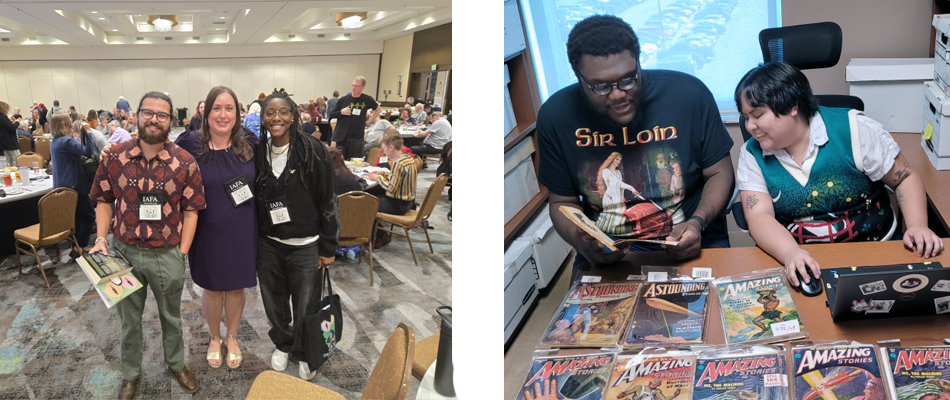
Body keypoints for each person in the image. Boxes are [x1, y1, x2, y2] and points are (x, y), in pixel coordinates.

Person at [536, 15, 735, 282]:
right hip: (609, 250)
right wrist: (581, 242)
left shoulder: (689, 95)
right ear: (578, 77)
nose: (618, 94)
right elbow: (561, 202)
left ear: (639, 63)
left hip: (692, 237)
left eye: (628, 79)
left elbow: (720, 173)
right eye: (601, 86)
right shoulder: (556, 115)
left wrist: (697, 223)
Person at [735, 61, 943, 286]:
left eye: (757, 115)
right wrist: (790, 253)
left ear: (791, 107)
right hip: (800, 261)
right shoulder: (751, 153)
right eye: (746, 117)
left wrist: (917, 225)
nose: (750, 126)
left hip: (875, 247)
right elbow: (758, 216)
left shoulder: (854, 129)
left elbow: (904, 178)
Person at [88, 92, 204, 399]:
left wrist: (182, 254)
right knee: (129, 322)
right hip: (123, 252)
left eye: (161, 115)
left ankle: (176, 365)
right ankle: (131, 375)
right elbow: (102, 200)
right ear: (136, 115)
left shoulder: (185, 161)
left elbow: (192, 211)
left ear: (170, 120)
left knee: (171, 317)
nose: (154, 119)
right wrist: (101, 239)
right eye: (148, 113)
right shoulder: (114, 157)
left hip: (167, 253)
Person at [255, 88, 339, 381]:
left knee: (306, 304)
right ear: (262, 118)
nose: (276, 118)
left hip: (306, 246)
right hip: (268, 245)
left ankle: (304, 350)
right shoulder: (259, 151)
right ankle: (284, 342)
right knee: (273, 301)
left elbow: (328, 199)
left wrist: (328, 247)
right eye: (270, 112)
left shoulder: (313, 151)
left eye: (283, 112)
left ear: (293, 116)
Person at [174, 86, 258, 370]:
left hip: (243, 227)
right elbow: (158, 156)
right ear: (205, 112)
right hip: (206, 229)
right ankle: (214, 337)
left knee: (235, 287)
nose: (223, 115)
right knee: (211, 287)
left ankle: (232, 337)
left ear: (238, 112)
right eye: (217, 109)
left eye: (229, 108)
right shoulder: (189, 144)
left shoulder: (249, 142)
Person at [49, 114, 96, 256]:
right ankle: (79, 247)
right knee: (89, 216)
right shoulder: (66, 142)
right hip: (75, 184)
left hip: (62, 184)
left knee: (76, 217)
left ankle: (76, 245)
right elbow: (89, 151)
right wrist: (87, 133)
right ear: (66, 125)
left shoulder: (54, 141)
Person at [367, 130, 416, 215]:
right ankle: (375, 226)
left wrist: (377, 178)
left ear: (391, 147)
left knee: (365, 203)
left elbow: (391, 187)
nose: (384, 152)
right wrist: (382, 173)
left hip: (397, 204)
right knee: (372, 196)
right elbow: (398, 177)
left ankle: (374, 228)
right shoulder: (407, 158)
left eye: (384, 149)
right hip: (407, 202)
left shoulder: (398, 163)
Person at [328, 75, 379, 159]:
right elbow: (332, 114)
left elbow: (378, 110)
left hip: (357, 137)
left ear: (362, 87)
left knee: (355, 160)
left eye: (357, 86)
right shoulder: (344, 100)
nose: (354, 87)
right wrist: (341, 112)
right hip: (342, 136)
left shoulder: (367, 99)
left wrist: (369, 121)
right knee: (340, 161)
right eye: (353, 85)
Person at [0, 101, 20, 166]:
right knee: (17, 161)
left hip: (4, 143)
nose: (8, 110)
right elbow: (11, 128)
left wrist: (8, 119)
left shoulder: (2, 118)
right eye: (7, 109)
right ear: (4, 109)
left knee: (9, 162)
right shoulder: (3, 117)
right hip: (10, 143)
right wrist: (17, 122)